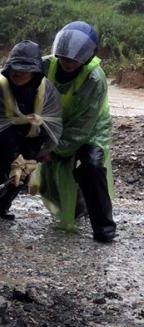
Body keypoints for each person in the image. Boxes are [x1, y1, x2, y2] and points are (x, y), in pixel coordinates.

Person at [0, 40, 63, 235]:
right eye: (15, 69)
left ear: (36, 72)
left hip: (31, 137)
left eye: (25, 70)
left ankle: (3, 206)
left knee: (20, 176)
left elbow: (52, 123)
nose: (18, 74)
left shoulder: (48, 92)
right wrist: (11, 153)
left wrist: (42, 151)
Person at [39, 21, 116, 242]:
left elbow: (82, 125)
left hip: (91, 128)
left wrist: (54, 150)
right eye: (63, 58)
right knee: (26, 159)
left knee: (91, 167)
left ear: (89, 56)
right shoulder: (45, 65)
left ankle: (104, 228)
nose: (67, 63)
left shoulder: (95, 79)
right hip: (56, 123)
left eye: (73, 60)